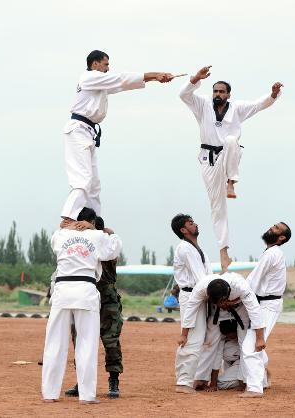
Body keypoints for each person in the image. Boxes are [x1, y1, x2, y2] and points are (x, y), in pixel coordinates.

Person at [179, 65, 283, 272]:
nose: (217, 94)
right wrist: (195, 79)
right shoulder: (202, 105)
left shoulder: (238, 108)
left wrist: (272, 95)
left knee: (231, 141)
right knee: (217, 208)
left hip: (229, 156)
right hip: (208, 159)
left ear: (228, 95)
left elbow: (259, 105)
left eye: (221, 91)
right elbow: (183, 94)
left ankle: (231, 182)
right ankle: (223, 252)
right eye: (215, 91)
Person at [61, 50, 174, 221]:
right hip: (78, 130)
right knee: (82, 179)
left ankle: (95, 221)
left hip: (87, 132)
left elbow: (122, 84)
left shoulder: (99, 83)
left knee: (94, 184)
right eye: (105, 64)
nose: (108, 68)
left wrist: (152, 79)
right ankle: (68, 218)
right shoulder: (89, 77)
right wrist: (155, 74)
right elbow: (121, 78)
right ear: (95, 64)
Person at [41, 207, 122, 404]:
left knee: (54, 343)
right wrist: (103, 231)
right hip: (85, 291)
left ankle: (50, 393)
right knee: (87, 343)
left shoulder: (60, 235)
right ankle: (87, 396)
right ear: (92, 222)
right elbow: (115, 247)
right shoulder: (97, 236)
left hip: (62, 291)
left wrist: (67, 226)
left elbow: (57, 235)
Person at [64, 216, 124, 399]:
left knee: (111, 340)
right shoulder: (81, 247)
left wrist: (105, 232)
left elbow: (113, 242)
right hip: (85, 297)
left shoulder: (107, 244)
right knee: (80, 340)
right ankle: (82, 380)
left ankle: (113, 380)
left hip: (107, 300)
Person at [179, 272, 266, 398]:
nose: (221, 304)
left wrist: (259, 338)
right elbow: (191, 309)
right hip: (217, 313)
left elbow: (255, 311)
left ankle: (245, 381)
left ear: (227, 294)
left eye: (221, 301)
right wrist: (184, 335)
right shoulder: (202, 287)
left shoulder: (240, 286)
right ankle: (201, 378)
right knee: (210, 342)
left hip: (240, 308)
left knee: (244, 342)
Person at [245, 221, 292, 394]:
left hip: (267, 304)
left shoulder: (272, 253)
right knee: (250, 341)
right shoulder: (270, 252)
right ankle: (263, 379)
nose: (271, 228)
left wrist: (237, 295)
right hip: (263, 303)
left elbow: (253, 281)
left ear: (281, 238)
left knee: (251, 345)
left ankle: (255, 388)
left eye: (276, 228)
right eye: (272, 226)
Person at [171, 214, 212, 394]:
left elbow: (206, 276)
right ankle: (183, 382)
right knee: (192, 338)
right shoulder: (185, 248)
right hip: (191, 296)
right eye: (190, 223)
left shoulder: (196, 248)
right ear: (183, 230)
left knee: (203, 338)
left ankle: (194, 378)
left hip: (200, 295)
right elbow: (201, 278)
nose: (195, 224)